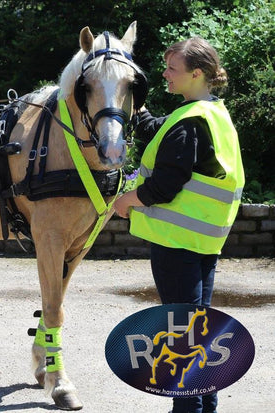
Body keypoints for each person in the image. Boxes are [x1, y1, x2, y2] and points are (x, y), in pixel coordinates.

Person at [114, 37, 244, 413]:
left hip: (177, 245)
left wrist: (125, 202)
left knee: (181, 335)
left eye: (172, 69)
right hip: (203, 243)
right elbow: (163, 130)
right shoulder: (209, 112)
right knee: (196, 332)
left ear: (196, 73)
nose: (165, 74)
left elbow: (163, 187)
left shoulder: (190, 123)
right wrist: (135, 107)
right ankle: (205, 408)